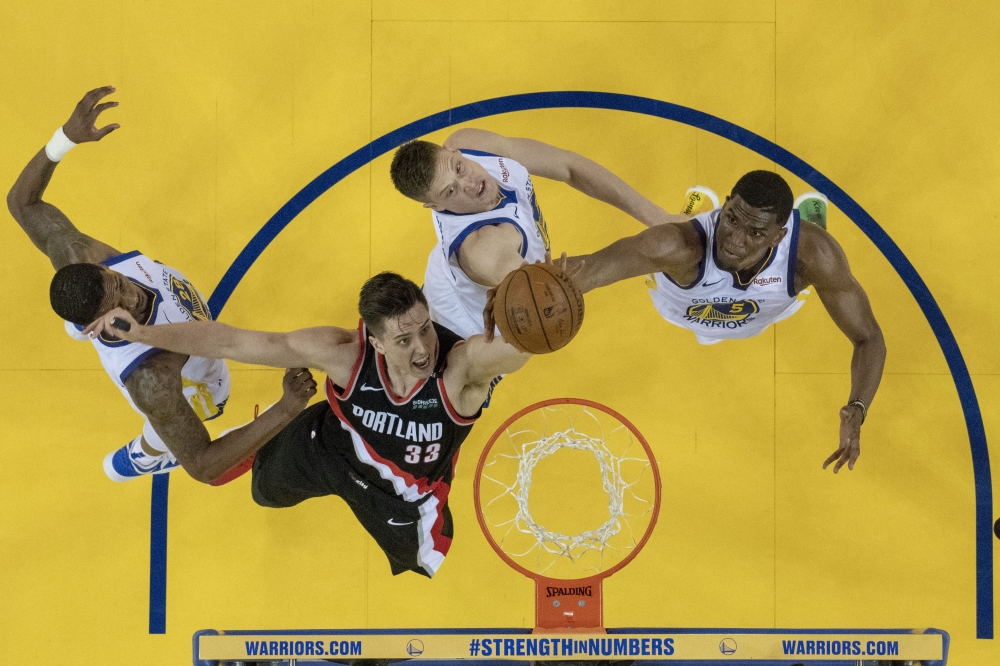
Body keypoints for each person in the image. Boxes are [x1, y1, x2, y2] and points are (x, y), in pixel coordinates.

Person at [85, 268, 547, 577]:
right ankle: (241, 444)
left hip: (403, 493)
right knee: (264, 491)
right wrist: (142, 333)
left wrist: (545, 308)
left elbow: (518, 349)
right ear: (377, 341)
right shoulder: (344, 355)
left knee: (422, 564)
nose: (423, 347)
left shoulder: (459, 371)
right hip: (330, 445)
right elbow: (232, 342)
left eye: (425, 327)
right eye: (404, 339)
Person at [5, 86, 316, 484]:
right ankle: (149, 455)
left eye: (118, 282)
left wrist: (64, 138)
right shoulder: (153, 376)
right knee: (168, 422)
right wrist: (287, 409)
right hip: (196, 388)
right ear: (97, 323)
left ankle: (143, 448)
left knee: (70, 259)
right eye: (120, 304)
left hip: (103, 315)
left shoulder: (79, 253)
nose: (131, 293)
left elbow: (22, 203)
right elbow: (204, 466)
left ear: (102, 269)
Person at [536, 170, 885, 474]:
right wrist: (508, 290)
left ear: (778, 236)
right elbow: (589, 271)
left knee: (819, 258)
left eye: (755, 233)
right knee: (679, 234)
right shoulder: (675, 248)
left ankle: (809, 222)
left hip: (765, 311)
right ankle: (697, 212)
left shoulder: (811, 255)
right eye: (731, 218)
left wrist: (857, 407)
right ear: (727, 204)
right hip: (683, 309)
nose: (735, 240)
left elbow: (868, 337)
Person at [390, 129, 683, 339]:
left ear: (454, 151)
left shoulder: (470, 143)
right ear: (435, 205)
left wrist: (658, 217)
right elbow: (542, 301)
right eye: (451, 191)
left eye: (458, 167)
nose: (468, 183)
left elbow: (569, 167)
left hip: (446, 277)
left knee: (662, 243)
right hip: (466, 327)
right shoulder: (485, 246)